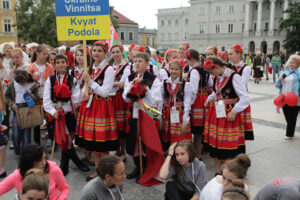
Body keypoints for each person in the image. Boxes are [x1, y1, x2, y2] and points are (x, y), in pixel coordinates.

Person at [76, 41, 119, 181]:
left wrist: (91, 82)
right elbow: (85, 88)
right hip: (89, 105)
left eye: (99, 50)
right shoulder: (89, 67)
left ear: (105, 53)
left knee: (102, 143)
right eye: (94, 50)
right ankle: (98, 170)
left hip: (102, 107)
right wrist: (84, 89)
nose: (96, 53)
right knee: (93, 142)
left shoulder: (109, 69)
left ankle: (105, 172)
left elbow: (106, 92)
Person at [43, 54, 89, 175]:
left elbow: (76, 97)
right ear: (55, 65)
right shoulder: (51, 79)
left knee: (68, 139)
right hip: (56, 114)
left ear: (67, 63)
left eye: (63, 62)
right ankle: (73, 163)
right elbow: (46, 100)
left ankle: (65, 163)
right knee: (63, 139)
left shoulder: (72, 79)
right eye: (57, 62)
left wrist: (64, 108)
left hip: (68, 113)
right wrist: (54, 112)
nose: (60, 64)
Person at [203, 57, 250, 175]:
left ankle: (230, 170)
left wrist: (234, 111)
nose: (211, 74)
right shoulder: (216, 77)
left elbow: (245, 98)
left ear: (217, 67)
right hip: (217, 113)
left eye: (211, 71)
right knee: (216, 143)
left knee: (229, 144)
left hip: (229, 114)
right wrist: (208, 100)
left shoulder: (235, 77)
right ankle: (218, 170)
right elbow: (216, 91)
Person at [122, 52, 162, 181]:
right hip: (134, 111)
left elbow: (154, 100)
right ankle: (137, 166)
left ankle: (145, 167)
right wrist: (131, 86)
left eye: (140, 61)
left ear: (146, 64)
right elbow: (125, 98)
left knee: (144, 140)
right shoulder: (130, 77)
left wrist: (144, 85)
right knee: (133, 139)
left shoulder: (153, 78)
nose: (137, 63)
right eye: (135, 61)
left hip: (146, 113)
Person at [0, 144, 69, 200]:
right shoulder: (17, 176)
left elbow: (65, 189)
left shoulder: (54, 170)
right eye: (40, 160)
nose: (44, 162)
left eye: (45, 158)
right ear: (29, 162)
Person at [185, 49, 212, 160]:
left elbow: (193, 90)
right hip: (204, 99)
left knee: (196, 130)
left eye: (187, 60)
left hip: (197, 101)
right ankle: (198, 153)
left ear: (190, 58)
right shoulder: (205, 69)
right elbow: (211, 84)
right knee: (200, 131)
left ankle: (196, 154)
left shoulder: (194, 71)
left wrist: (189, 104)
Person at [5, 70, 39, 155]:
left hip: (28, 108)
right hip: (17, 109)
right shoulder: (13, 85)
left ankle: (25, 154)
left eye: (23, 82)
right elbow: (7, 96)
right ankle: (17, 150)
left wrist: (31, 94)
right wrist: (12, 104)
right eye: (20, 82)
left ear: (27, 79)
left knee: (27, 134)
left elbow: (37, 98)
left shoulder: (32, 84)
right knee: (16, 133)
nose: (22, 84)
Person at [27, 44, 55, 145]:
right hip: (36, 98)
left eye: (47, 54)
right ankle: (37, 142)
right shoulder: (31, 67)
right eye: (44, 54)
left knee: (50, 120)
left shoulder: (50, 66)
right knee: (37, 122)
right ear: (37, 53)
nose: (46, 56)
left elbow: (53, 82)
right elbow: (27, 83)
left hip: (47, 98)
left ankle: (51, 139)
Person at [160, 59, 192, 145]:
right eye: (172, 69)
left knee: (179, 138)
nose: (174, 71)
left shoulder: (185, 84)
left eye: (176, 69)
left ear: (181, 70)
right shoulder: (164, 83)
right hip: (166, 112)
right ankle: (170, 153)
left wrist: (185, 121)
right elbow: (161, 99)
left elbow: (187, 103)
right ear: (169, 69)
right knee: (168, 136)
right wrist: (159, 115)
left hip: (180, 113)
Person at [108, 44, 130, 163]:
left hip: (120, 98)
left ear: (122, 53)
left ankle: (122, 150)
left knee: (121, 126)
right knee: (113, 125)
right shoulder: (109, 66)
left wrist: (111, 82)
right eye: (113, 52)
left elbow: (123, 84)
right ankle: (116, 149)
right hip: (110, 98)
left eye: (117, 52)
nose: (115, 54)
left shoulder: (126, 67)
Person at [228, 44, 254, 140]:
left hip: (240, 98)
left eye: (231, 54)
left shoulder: (245, 68)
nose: (229, 56)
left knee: (240, 123)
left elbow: (243, 84)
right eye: (228, 54)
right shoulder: (228, 66)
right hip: (230, 97)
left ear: (239, 54)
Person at [275, 54, 300, 140]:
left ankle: (289, 134)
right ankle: (291, 128)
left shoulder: (299, 73)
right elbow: (277, 85)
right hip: (284, 98)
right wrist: (279, 79)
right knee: (287, 116)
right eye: (290, 62)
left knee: (292, 117)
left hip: (295, 98)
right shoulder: (285, 72)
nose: (291, 64)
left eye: (293, 63)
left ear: (298, 64)